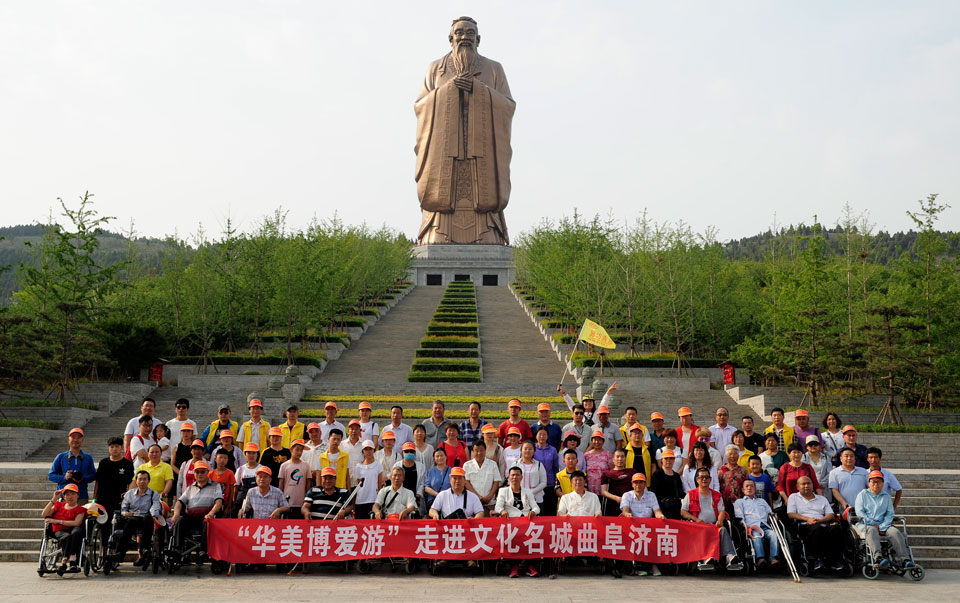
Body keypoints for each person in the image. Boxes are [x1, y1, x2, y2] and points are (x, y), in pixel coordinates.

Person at [681, 467, 743, 571]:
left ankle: (730, 557)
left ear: (710, 479)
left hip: (714, 525)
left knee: (722, 530)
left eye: (706, 477)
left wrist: (720, 520)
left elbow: (722, 511)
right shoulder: (690, 494)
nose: (704, 479)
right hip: (698, 526)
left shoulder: (717, 495)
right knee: (705, 531)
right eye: (701, 477)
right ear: (697, 480)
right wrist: (695, 519)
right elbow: (683, 512)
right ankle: (706, 558)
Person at [854, 471, 914, 568]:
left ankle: (905, 559)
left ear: (882, 484)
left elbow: (890, 514)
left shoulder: (886, 496)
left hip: (883, 525)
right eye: (873, 482)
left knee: (895, 532)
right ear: (869, 483)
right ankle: (878, 557)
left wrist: (882, 527)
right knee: (872, 530)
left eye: (878, 482)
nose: (876, 484)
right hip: (866, 524)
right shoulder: (862, 495)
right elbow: (860, 513)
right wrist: (874, 525)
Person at [787, 476, 845, 572]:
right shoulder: (793, 497)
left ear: (813, 485)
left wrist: (820, 520)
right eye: (803, 484)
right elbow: (791, 514)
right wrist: (807, 519)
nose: (806, 486)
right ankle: (817, 559)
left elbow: (830, 514)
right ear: (797, 486)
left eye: (809, 483)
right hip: (804, 525)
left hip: (822, 523)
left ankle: (835, 560)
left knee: (837, 529)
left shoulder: (821, 499)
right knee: (817, 529)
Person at [493, 466, 540, 578]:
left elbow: (537, 508)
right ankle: (514, 567)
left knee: (532, 538)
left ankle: (530, 567)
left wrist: (533, 512)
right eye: (512, 475)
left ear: (521, 477)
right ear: (509, 477)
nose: (515, 477)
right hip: (510, 524)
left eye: (517, 475)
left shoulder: (527, 492)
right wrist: (502, 511)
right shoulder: (503, 491)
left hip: (525, 523)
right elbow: (497, 507)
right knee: (513, 538)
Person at [112, 470, 163, 567]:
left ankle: (145, 549)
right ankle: (120, 553)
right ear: (136, 481)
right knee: (131, 521)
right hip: (132, 518)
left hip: (145, 518)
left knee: (148, 519)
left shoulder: (153, 494)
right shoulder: (129, 494)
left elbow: (155, 506)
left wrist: (152, 514)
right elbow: (123, 509)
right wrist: (126, 513)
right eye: (140, 479)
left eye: (144, 479)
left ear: (148, 481)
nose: (142, 482)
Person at [170, 461, 223, 551]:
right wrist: (176, 513)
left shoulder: (215, 485)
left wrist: (211, 513)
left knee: (207, 522)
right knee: (179, 520)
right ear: (194, 474)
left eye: (203, 472)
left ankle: (203, 551)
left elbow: (218, 502)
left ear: (208, 472)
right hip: (191, 518)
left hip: (206, 518)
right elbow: (179, 502)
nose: (200, 474)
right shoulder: (190, 487)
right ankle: (177, 550)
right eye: (197, 472)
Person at [620, 472, 664, 576]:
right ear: (632, 484)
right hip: (632, 527)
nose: (638, 485)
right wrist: (627, 514)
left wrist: (660, 515)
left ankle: (653, 565)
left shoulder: (651, 495)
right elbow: (625, 510)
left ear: (645, 484)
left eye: (641, 482)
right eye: (636, 482)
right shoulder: (627, 495)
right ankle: (638, 567)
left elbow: (657, 511)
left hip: (648, 527)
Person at [733, 480, 778, 567]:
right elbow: (739, 516)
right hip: (752, 527)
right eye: (747, 486)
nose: (749, 488)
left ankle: (773, 557)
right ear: (742, 489)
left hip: (765, 526)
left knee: (773, 534)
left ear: (755, 489)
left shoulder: (762, 501)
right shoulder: (739, 502)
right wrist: (744, 525)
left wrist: (774, 516)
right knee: (757, 536)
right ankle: (760, 558)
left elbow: (770, 512)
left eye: (752, 486)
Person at [42, 483, 87, 571]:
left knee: (76, 532)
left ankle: (72, 558)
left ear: (77, 495)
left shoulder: (81, 509)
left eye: (73, 494)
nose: (70, 497)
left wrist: (57, 521)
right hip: (59, 530)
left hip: (73, 530)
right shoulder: (59, 505)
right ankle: (65, 559)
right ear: (64, 497)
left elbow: (77, 523)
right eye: (67, 494)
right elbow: (44, 514)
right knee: (66, 536)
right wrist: (54, 498)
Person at [93, 436, 135, 526]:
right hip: (103, 499)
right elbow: (98, 481)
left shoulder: (127, 464)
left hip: (119, 500)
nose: (114, 449)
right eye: (112, 447)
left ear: (122, 448)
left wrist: (127, 496)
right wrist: (94, 497)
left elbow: (131, 482)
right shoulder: (103, 462)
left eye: (117, 446)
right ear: (108, 448)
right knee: (103, 524)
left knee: (118, 524)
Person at [49, 427, 96, 503]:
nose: (75, 440)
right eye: (73, 437)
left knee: (81, 515)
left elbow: (93, 475)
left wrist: (83, 478)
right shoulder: (61, 457)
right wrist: (65, 477)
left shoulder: (87, 457)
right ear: (68, 440)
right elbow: (51, 476)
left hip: (81, 495)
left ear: (82, 440)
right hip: (64, 495)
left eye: (78, 437)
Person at [463, 440, 501, 513]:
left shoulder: (492, 464)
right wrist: (478, 496)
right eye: (476, 450)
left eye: (481, 450)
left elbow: (496, 482)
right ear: (472, 452)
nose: (479, 453)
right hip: (473, 502)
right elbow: (466, 483)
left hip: (490, 503)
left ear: (485, 451)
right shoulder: (467, 465)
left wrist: (489, 496)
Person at [829, 448, 869, 514]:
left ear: (855, 459)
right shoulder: (834, 473)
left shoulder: (863, 471)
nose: (849, 458)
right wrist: (843, 503)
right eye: (846, 456)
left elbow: (870, 487)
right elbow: (834, 490)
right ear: (841, 458)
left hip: (863, 508)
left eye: (851, 456)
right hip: (845, 509)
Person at [279, 439, 311, 519]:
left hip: (301, 503)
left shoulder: (306, 465)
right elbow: (281, 485)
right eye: (297, 449)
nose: (299, 452)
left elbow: (308, 485)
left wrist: (307, 500)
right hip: (287, 502)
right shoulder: (284, 465)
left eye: (301, 450)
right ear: (291, 449)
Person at [352, 440, 385, 520]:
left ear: (374, 450)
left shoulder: (378, 465)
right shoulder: (358, 467)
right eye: (366, 449)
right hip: (360, 500)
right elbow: (359, 484)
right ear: (363, 451)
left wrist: (379, 500)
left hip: (373, 500)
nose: (368, 451)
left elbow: (379, 483)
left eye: (370, 449)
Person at [649, 450, 684, 520]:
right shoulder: (657, 475)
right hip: (662, 511)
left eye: (671, 458)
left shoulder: (676, 476)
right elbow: (654, 495)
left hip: (675, 511)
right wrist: (659, 512)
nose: (669, 460)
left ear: (674, 460)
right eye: (666, 458)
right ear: (662, 460)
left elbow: (680, 493)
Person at [600, 448, 636, 516]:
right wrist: (617, 498)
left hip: (630, 504)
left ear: (625, 459)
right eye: (617, 457)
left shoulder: (632, 472)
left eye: (622, 456)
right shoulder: (607, 473)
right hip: (612, 504)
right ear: (613, 459)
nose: (620, 459)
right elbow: (603, 491)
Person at [534, 427, 560, 515]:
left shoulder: (552, 450)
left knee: (550, 509)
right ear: (536, 436)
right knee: (538, 510)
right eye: (540, 434)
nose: (542, 436)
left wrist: (555, 482)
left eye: (544, 434)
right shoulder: (533, 449)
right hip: (536, 485)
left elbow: (555, 467)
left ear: (548, 436)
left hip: (550, 484)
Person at [394, 441, 425, 509]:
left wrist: (418, 494)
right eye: (406, 451)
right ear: (402, 453)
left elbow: (422, 483)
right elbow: (393, 482)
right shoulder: (397, 465)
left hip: (415, 498)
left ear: (415, 453)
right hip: (400, 498)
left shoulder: (421, 466)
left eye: (411, 451)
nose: (409, 453)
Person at [803, 435, 832, 503]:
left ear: (819, 446)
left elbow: (830, 473)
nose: (813, 446)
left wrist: (822, 484)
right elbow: (803, 474)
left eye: (815, 444)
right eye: (810, 444)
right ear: (806, 447)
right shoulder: (803, 458)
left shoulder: (826, 457)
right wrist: (813, 485)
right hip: (809, 489)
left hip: (824, 488)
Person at [718, 444, 748, 509]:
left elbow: (746, 486)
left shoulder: (743, 471)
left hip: (740, 503)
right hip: (724, 503)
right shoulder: (721, 470)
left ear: (738, 456)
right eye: (730, 454)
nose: (732, 456)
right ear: (726, 456)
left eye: (735, 454)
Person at [235, 442, 263, 511]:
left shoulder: (262, 468)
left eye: (253, 453)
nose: (251, 455)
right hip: (242, 500)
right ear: (245, 454)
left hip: (259, 501)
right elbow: (236, 487)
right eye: (249, 453)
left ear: (257, 455)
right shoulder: (240, 469)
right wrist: (234, 502)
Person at [209, 449, 236, 517]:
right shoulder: (211, 474)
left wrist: (229, 506)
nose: (222, 460)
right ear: (215, 459)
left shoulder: (230, 473)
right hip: (212, 504)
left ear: (227, 460)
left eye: (225, 458)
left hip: (225, 504)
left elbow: (232, 491)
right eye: (220, 457)